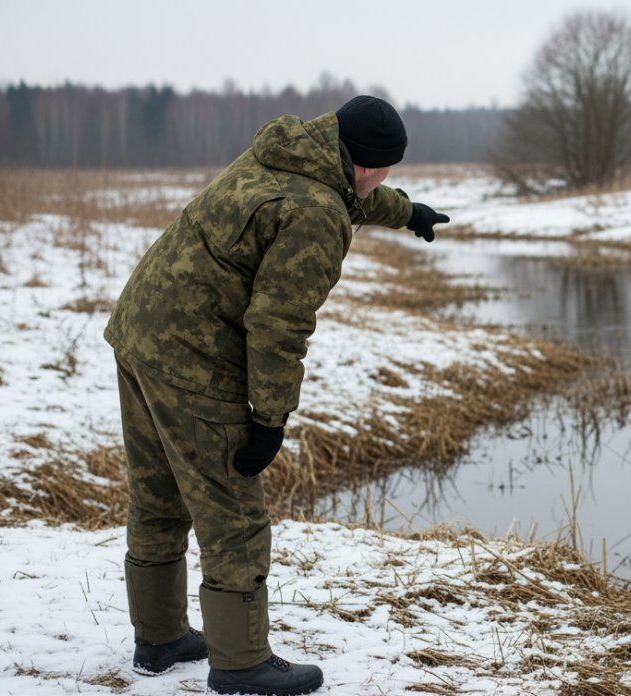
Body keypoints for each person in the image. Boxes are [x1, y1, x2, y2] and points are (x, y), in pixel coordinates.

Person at [103, 95, 450, 695]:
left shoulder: (283, 154)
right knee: (233, 514)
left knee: (159, 494)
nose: (384, 179)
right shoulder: (319, 215)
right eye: (388, 169)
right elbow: (278, 323)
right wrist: (269, 418)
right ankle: (241, 665)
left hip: (140, 330)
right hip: (194, 357)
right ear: (373, 165)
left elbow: (349, 192)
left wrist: (407, 212)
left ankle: (159, 640)